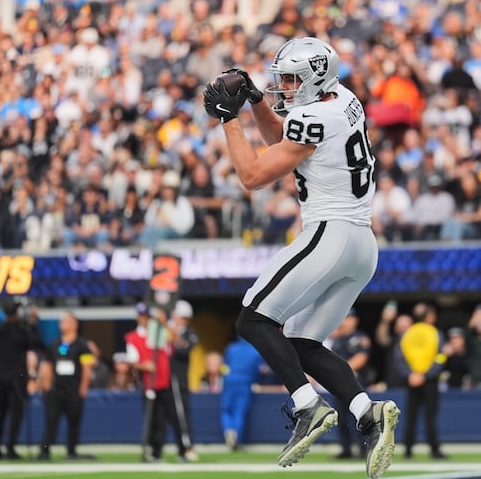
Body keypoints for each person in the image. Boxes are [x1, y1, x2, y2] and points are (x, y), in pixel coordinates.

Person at [202, 36, 400, 478]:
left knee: (252, 319)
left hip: (328, 234)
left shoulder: (314, 116)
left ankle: (307, 405)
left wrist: (228, 120)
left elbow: (253, 175)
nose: (285, 87)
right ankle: (367, 413)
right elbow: (288, 139)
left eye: (292, 79)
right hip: (361, 245)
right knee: (301, 345)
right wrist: (255, 102)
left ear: (315, 79)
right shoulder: (344, 99)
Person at [125, 302, 186, 462]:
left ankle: (183, 450)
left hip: (165, 381)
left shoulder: (158, 331)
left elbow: (176, 340)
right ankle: (156, 452)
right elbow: (132, 360)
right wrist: (143, 365)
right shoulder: (133, 337)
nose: (144, 319)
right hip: (149, 384)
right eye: (141, 316)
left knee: (174, 417)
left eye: (146, 316)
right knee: (154, 420)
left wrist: (164, 322)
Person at [37, 312, 95, 460]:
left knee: (74, 421)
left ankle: (71, 450)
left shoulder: (83, 345)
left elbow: (87, 368)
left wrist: (84, 386)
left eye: (67, 321)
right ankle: (44, 450)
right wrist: (46, 383)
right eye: (62, 322)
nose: (63, 324)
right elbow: (48, 365)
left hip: (74, 390)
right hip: (56, 390)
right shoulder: (54, 345)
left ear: (75, 324)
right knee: (51, 421)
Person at [0, 298, 43, 460]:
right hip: (16, 377)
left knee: (0, 413)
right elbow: (36, 344)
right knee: (16, 413)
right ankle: (10, 448)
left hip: (0, 375)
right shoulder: (21, 331)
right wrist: (32, 322)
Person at [396, 302, 448, 459]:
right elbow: (441, 357)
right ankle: (434, 450)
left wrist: (411, 375)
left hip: (412, 380)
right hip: (429, 381)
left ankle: (408, 450)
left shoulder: (407, 333)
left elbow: (399, 357)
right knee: (430, 416)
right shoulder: (435, 333)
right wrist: (426, 375)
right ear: (429, 316)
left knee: (411, 416)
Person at [329, 310, 373, 459]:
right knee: (341, 417)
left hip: (355, 383)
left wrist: (342, 369)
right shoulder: (337, 339)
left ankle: (364, 448)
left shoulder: (359, 338)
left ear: (355, 320)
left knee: (359, 416)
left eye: (349, 318)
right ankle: (346, 448)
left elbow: (361, 357)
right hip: (338, 384)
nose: (345, 321)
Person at [168, 299, 199, 461]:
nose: (183, 321)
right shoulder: (164, 330)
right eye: (181, 317)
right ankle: (154, 449)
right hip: (162, 380)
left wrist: (173, 335)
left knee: (182, 415)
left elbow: (183, 351)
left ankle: (186, 447)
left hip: (179, 380)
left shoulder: (190, 334)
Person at [220, 335, 264, 450]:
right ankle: (237, 435)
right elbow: (258, 369)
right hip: (245, 382)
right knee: (239, 412)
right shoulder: (255, 350)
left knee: (226, 410)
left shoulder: (231, 348)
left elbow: (225, 365)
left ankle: (228, 429)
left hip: (230, 381)